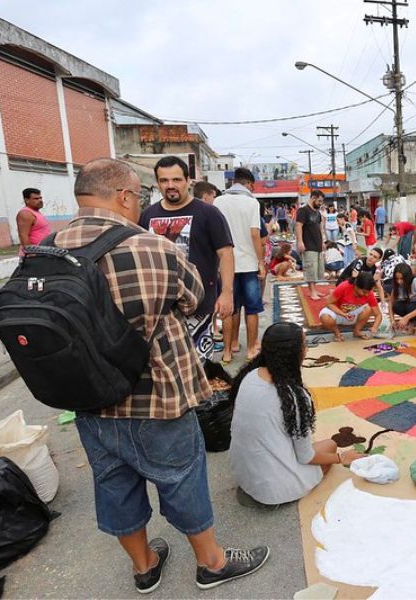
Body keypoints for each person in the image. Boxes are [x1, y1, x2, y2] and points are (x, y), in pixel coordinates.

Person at [58, 158, 269, 593]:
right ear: (124, 197)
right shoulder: (151, 247)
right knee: (182, 479)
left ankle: (144, 566)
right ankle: (211, 564)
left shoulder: (49, 248)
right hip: (157, 395)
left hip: (89, 398)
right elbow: (194, 299)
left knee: (114, 483)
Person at [229, 323, 365, 510]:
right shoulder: (294, 396)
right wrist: (342, 458)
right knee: (331, 447)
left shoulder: (249, 376)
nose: (307, 350)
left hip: (243, 475)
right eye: (304, 345)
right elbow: (306, 457)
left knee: (326, 445)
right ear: (294, 353)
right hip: (274, 490)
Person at [140, 156, 234, 361]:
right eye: (164, 180)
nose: (170, 185)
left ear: (188, 181)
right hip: (158, 309)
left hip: (198, 306)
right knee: (165, 366)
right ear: (157, 183)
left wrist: (227, 293)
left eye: (176, 179)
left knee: (199, 364)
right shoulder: (147, 215)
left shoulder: (209, 213)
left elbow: (225, 252)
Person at [214, 168, 266, 364]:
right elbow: (255, 234)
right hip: (248, 264)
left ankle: (229, 349)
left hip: (226, 265)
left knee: (229, 308)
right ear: (249, 184)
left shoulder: (219, 202)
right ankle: (251, 348)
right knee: (252, 308)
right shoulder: (252, 202)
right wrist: (260, 262)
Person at [319, 272, 383, 341]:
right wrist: (343, 314)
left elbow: (378, 314)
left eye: (368, 292)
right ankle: (337, 333)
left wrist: (374, 327)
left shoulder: (368, 293)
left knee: (368, 309)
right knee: (325, 317)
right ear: (356, 286)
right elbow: (328, 303)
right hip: (337, 313)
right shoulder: (344, 286)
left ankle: (357, 331)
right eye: (364, 292)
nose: (367, 294)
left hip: (352, 315)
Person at [296, 190, 326, 300]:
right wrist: (300, 242)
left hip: (317, 244)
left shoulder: (317, 213)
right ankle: (312, 291)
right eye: (319, 201)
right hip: (308, 244)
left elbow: (320, 228)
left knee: (317, 269)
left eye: (321, 202)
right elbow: (298, 226)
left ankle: (314, 290)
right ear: (313, 198)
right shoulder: (303, 210)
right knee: (310, 268)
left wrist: (322, 242)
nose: (320, 204)